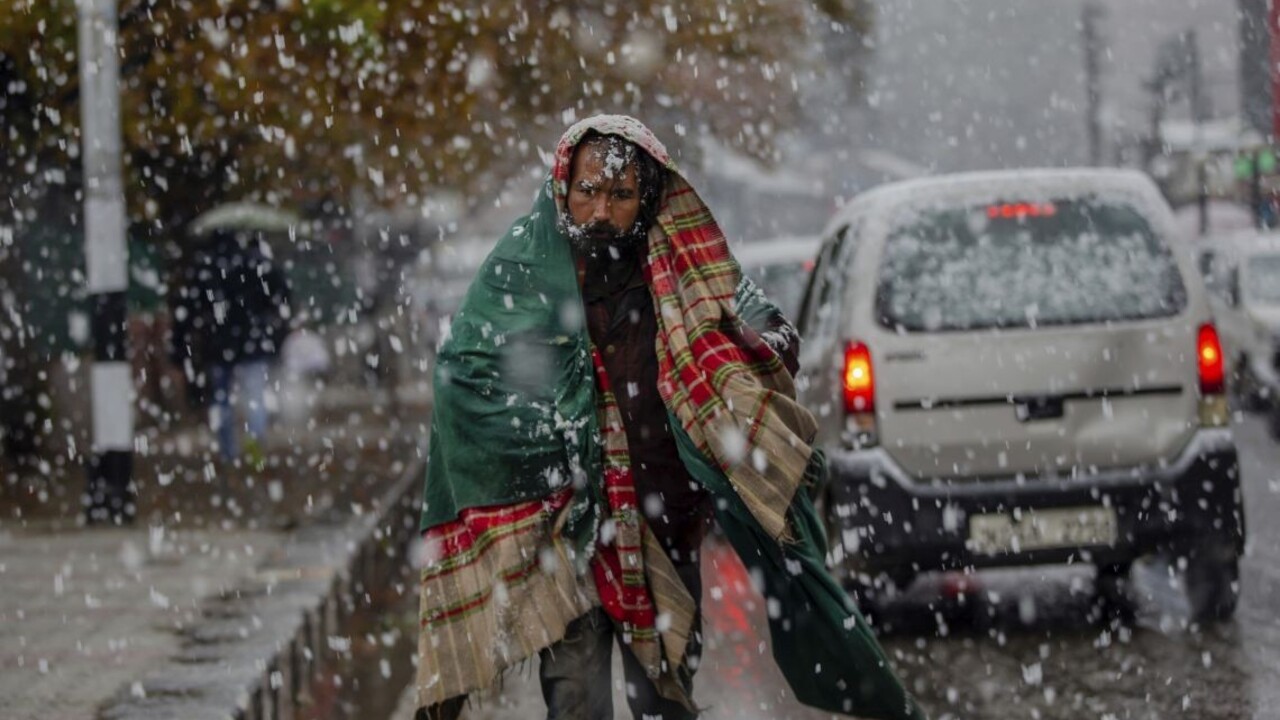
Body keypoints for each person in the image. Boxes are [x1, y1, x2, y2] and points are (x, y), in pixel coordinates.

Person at [416, 115, 925, 720]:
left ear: (649, 198)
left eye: (621, 195)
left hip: (663, 521)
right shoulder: (522, 272)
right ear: (563, 188)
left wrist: (740, 350)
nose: (601, 210)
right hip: (562, 534)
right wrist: (545, 443)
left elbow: (768, 324)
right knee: (576, 703)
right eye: (588, 191)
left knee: (663, 699)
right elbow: (465, 373)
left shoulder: (682, 272)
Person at [170, 228, 291, 462]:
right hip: (253, 341)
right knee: (254, 395)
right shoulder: (256, 264)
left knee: (221, 398)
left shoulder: (207, 268)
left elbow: (190, 308)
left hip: (218, 343)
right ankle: (255, 445)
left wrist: (182, 344)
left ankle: (228, 452)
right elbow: (280, 295)